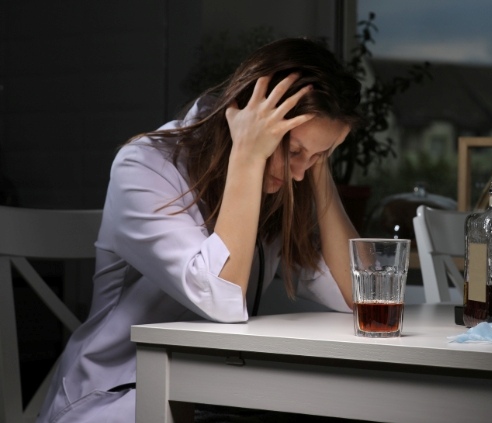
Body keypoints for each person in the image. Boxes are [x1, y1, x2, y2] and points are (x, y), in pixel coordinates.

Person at [37, 38, 363, 423]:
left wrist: (315, 160)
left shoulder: (280, 187)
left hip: (213, 399)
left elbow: (359, 295)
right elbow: (221, 299)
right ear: (250, 116)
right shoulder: (144, 167)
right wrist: (248, 152)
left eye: (318, 156)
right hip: (119, 397)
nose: (298, 173)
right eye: (293, 153)